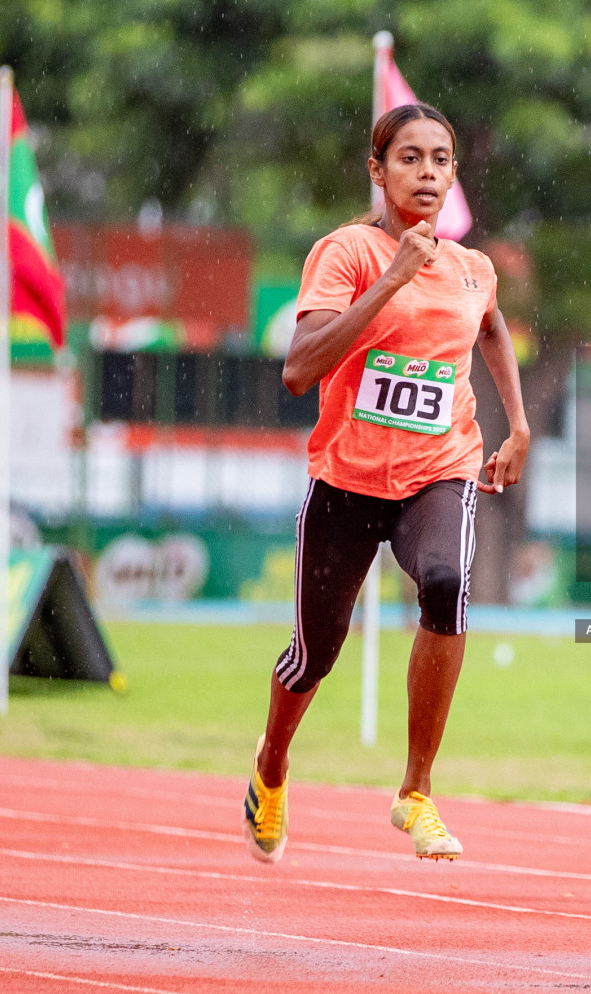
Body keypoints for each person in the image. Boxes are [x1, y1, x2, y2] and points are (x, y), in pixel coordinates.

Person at [242, 103, 530, 863]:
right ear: (377, 171)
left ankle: (417, 792)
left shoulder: (473, 267)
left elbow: (491, 325)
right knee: (314, 655)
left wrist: (519, 422)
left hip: (440, 469)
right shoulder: (345, 254)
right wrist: (393, 277)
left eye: (441, 159)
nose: (427, 172)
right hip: (346, 478)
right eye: (409, 158)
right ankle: (272, 762)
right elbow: (301, 369)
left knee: (446, 580)